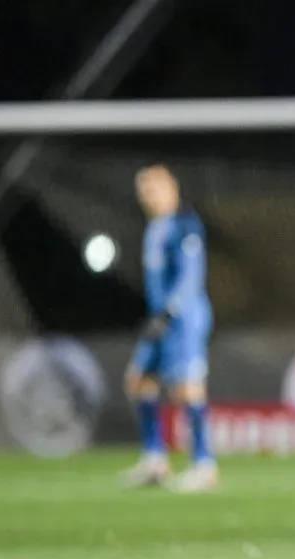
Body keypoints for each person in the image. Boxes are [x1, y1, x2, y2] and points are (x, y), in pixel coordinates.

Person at [119, 164, 217, 493]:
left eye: (154, 187)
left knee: (188, 387)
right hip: (160, 320)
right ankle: (155, 460)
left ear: (172, 187)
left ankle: (204, 465)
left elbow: (191, 276)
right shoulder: (154, 228)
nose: (148, 195)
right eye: (143, 189)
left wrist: (170, 311)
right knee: (139, 380)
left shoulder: (184, 224)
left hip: (184, 318)